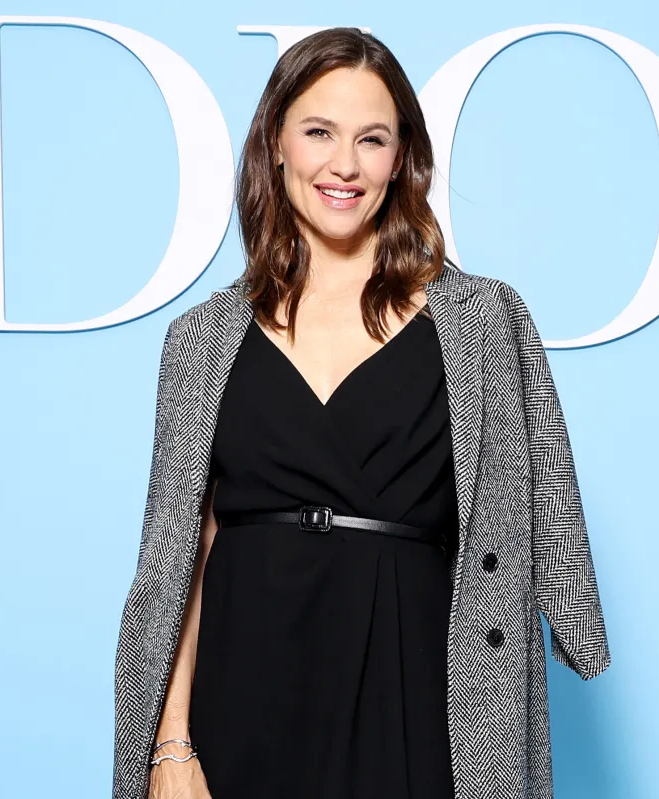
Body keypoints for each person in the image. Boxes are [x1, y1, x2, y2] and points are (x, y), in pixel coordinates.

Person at [114, 27, 612, 799]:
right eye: (319, 132)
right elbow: (183, 552)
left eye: (371, 139)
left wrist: (574, 618)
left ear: (401, 158)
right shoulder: (202, 338)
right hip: (242, 690)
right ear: (276, 145)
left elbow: (541, 493)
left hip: (414, 691)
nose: (344, 164)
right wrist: (171, 743)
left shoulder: (481, 321)